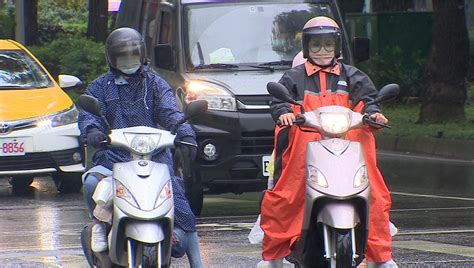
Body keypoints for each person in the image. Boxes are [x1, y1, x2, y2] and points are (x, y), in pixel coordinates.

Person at [260, 16, 397, 267]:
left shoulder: (353, 75)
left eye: (327, 45)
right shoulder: (294, 77)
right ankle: (274, 256)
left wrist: (374, 113)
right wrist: (284, 113)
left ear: (337, 47)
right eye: (315, 45)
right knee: (285, 196)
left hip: (349, 146)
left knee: (376, 193)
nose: (322, 51)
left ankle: (381, 256)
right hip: (305, 146)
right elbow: (279, 101)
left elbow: (368, 99)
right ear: (306, 48)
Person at [78, 27, 203, 267]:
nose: (128, 62)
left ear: (142, 56)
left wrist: (185, 135)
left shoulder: (156, 84)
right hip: (113, 157)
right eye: (122, 58)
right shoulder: (100, 86)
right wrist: (92, 130)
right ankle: (99, 226)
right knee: (91, 184)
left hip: (155, 159)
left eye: (132, 57)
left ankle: (197, 262)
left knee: (181, 203)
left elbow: (171, 113)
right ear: (111, 59)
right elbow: (87, 113)